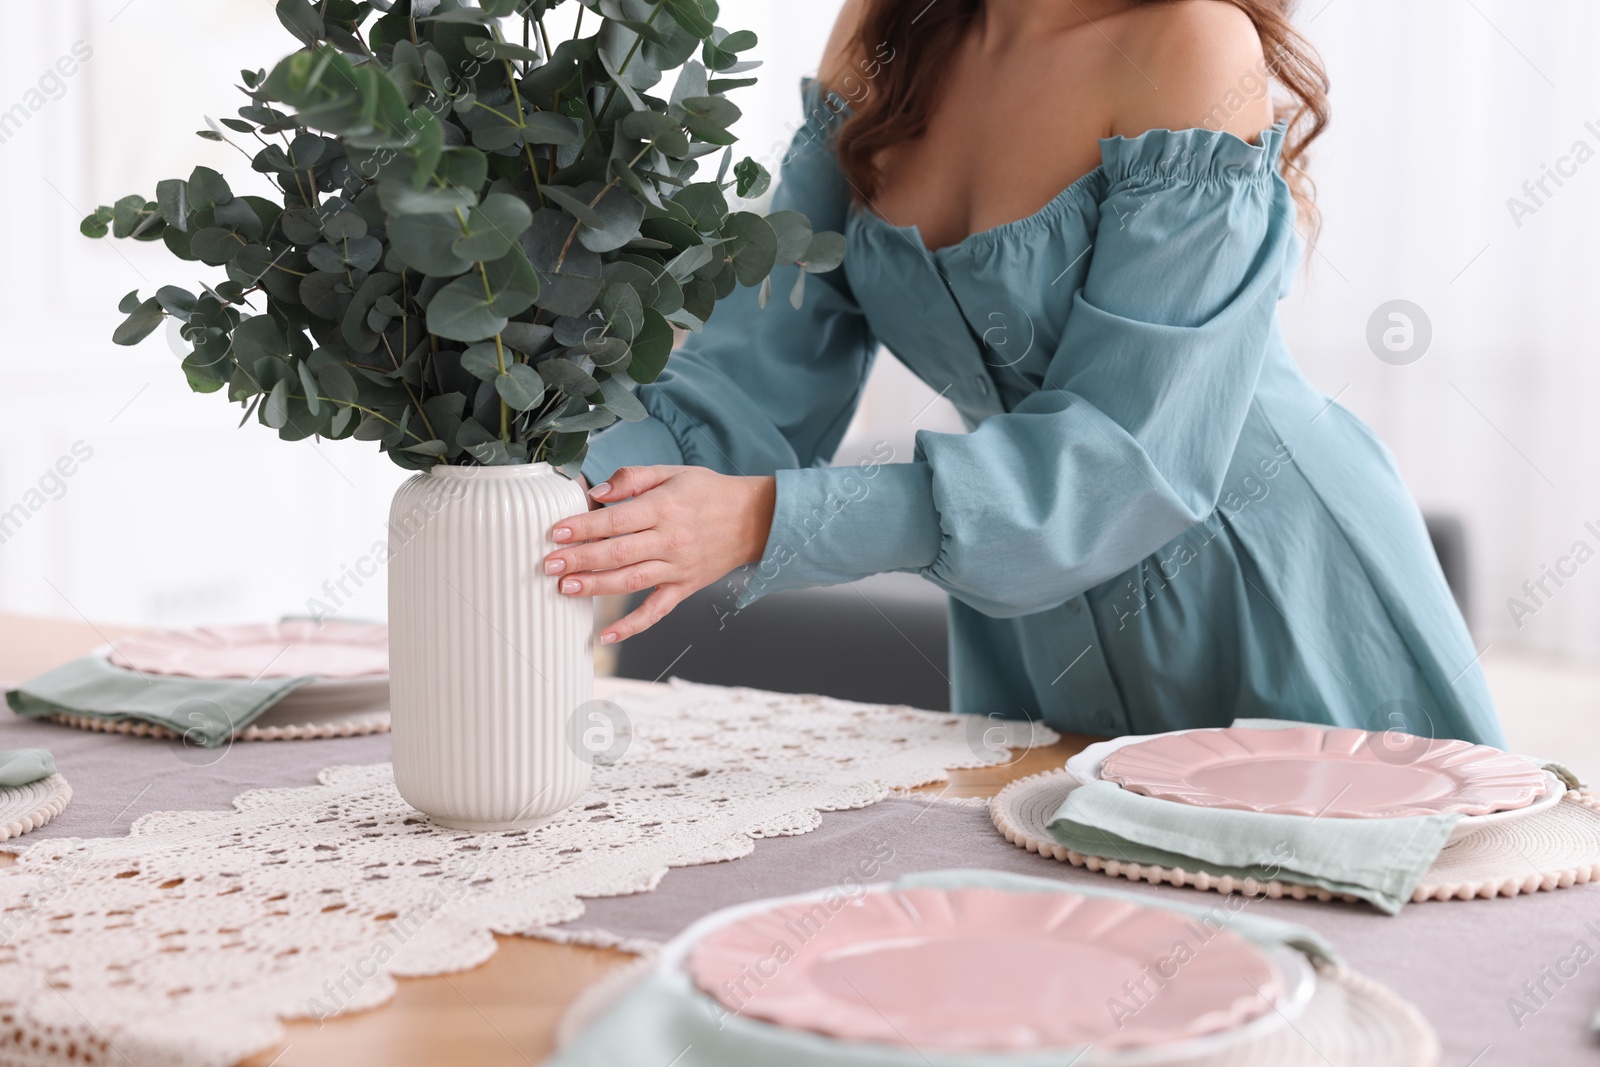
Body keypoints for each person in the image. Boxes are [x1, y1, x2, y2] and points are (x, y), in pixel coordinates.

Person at [538, 0, 1507, 745]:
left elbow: (1124, 462)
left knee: (1352, 969)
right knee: (1066, 978)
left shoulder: (1186, 40)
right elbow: (753, 372)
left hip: (1265, 585)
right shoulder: (886, 32)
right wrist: (563, 477)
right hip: (1034, 618)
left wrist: (762, 518)